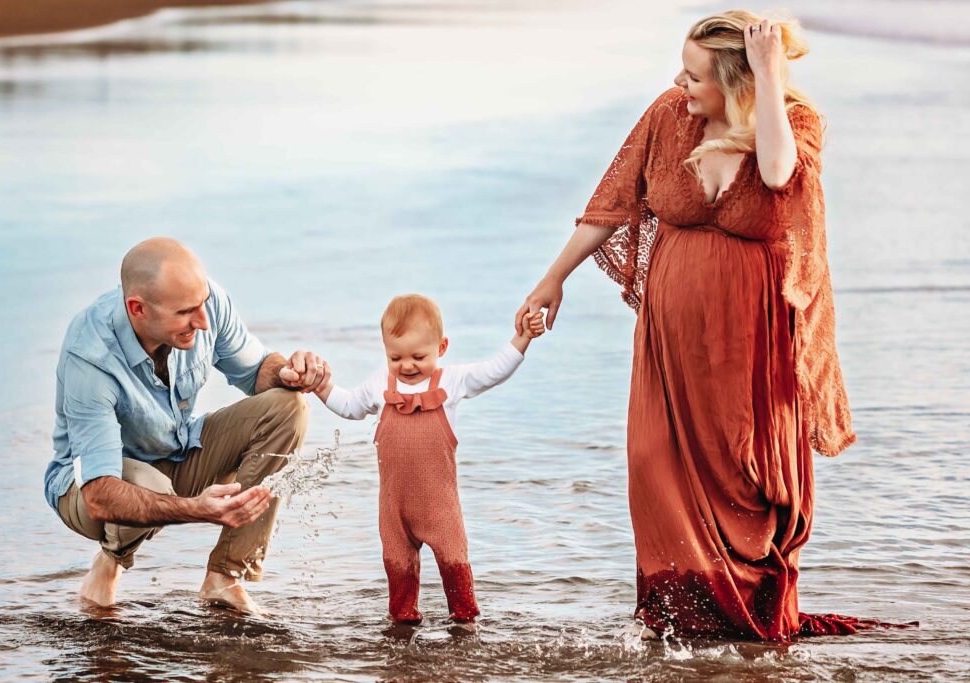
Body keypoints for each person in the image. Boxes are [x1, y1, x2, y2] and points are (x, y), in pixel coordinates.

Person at [516, 11, 883, 640]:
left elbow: (775, 175)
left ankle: (737, 618)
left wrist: (767, 79)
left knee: (744, 476)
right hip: (669, 341)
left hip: (751, 343)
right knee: (651, 461)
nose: (680, 85)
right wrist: (553, 278)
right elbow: (613, 201)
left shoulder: (795, 125)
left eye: (695, 76)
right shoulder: (668, 115)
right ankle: (681, 615)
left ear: (737, 81)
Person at [44, 237, 330, 615]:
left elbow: (257, 369)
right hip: (88, 489)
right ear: (137, 309)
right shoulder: (91, 355)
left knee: (288, 406)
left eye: (202, 304)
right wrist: (197, 509)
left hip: (175, 451)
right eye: (186, 313)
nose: (203, 320)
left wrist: (289, 372)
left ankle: (225, 577)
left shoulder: (205, 302)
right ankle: (110, 560)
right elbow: (98, 494)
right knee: (147, 483)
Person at [313, 294, 544, 625]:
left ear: (442, 347)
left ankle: (465, 626)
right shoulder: (380, 384)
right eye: (396, 357)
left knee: (455, 568)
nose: (407, 365)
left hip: (441, 509)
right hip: (394, 510)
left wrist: (523, 338)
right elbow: (349, 406)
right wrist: (322, 388)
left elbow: (494, 370)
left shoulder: (452, 381)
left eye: (418, 356)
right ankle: (402, 626)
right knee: (398, 572)